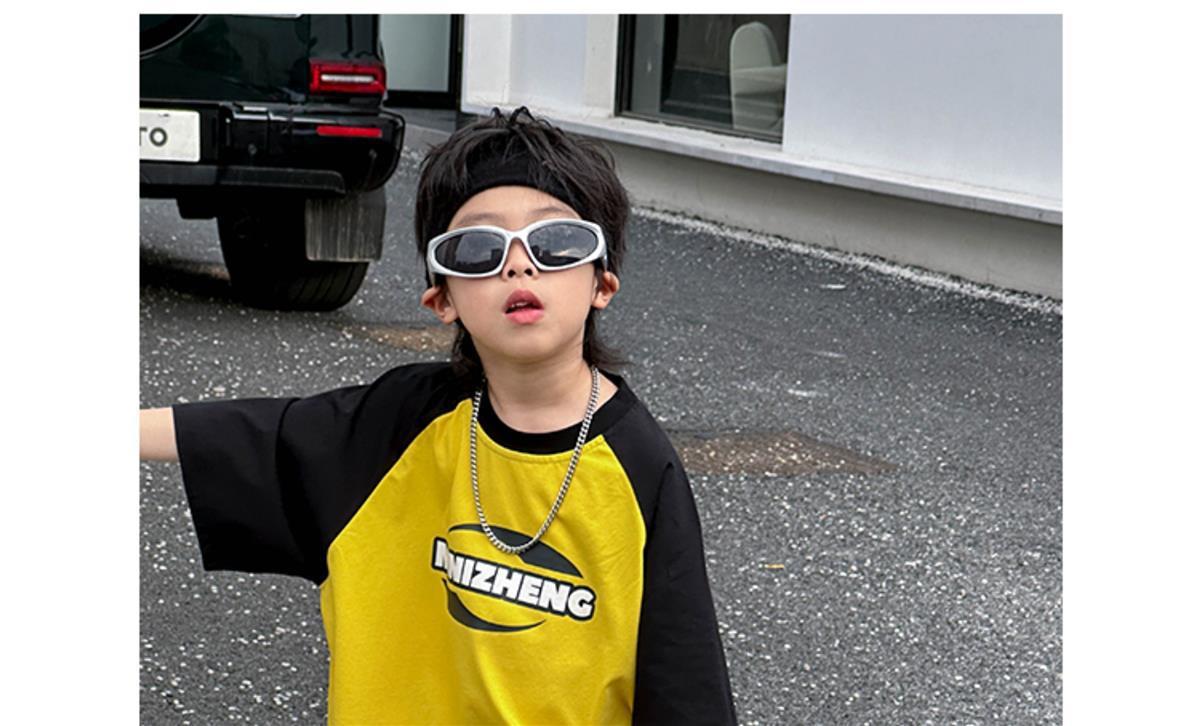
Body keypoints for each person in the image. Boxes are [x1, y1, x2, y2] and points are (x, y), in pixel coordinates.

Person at [140, 106, 737, 725]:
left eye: (556, 242)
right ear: (441, 298)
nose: (518, 264)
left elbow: (685, 687)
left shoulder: (639, 468)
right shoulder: (397, 427)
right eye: (477, 248)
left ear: (601, 284)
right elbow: (254, 434)